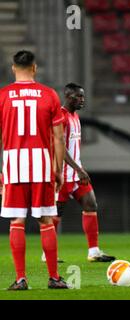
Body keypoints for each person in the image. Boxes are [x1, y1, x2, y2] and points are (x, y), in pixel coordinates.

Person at [0, 50, 68, 289]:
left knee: (17, 221)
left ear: (13, 68)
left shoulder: (3, 95)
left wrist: (2, 172)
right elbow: (59, 138)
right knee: (45, 219)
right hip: (41, 164)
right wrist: (58, 169)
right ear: (35, 68)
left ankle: (21, 279)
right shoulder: (49, 95)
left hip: (13, 164)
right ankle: (53, 278)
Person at [40, 83, 115, 263]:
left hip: (75, 174)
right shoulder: (61, 117)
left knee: (91, 204)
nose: (82, 100)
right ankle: (47, 253)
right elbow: (59, 147)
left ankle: (94, 251)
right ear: (68, 97)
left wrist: (79, 168)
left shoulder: (75, 117)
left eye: (82, 96)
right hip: (62, 175)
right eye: (78, 97)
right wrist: (78, 169)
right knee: (56, 213)